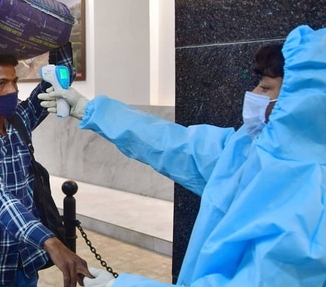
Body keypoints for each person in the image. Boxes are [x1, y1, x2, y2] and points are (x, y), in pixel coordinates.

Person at [40, 25, 326, 286]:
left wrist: (119, 285)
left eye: (265, 88)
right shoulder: (254, 149)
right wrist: (90, 110)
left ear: (304, 108)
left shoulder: (310, 208)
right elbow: (176, 145)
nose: (252, 93)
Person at [0, 42, 92, 287]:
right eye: (1, 84)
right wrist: (51, 242)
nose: (12, 90)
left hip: (25, 263)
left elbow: (59, 76)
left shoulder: (19, 120)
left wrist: (59, 35)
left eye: (14, 82)